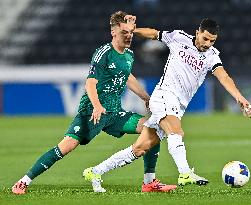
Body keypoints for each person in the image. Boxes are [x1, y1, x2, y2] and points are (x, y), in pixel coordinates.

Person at [11, 11, 177, 195]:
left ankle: (149, 182)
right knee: (65, 147)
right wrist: (97, 106)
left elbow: (127, 77)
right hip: (91, 112)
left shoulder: (129, 55)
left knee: (152, 129)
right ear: (113, 32)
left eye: (130, 33)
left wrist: (145, 97)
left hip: (114, 113)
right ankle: (23, 181)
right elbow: (90, 82)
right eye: (124, 33)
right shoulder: (103, 53)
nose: (129, 36)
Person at [82, 16, 251, 191]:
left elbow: (223, 77)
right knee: (176, 131)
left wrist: (240, 98)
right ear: (197, 33)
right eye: (205, 38)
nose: (207, 43)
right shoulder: (179, 38)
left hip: (179, 106)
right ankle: (185, 172)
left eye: (212, 41)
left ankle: (95, 171)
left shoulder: (212, 56)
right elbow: (154, 34)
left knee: (140, 148)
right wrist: (134, 30)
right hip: (164, 96)